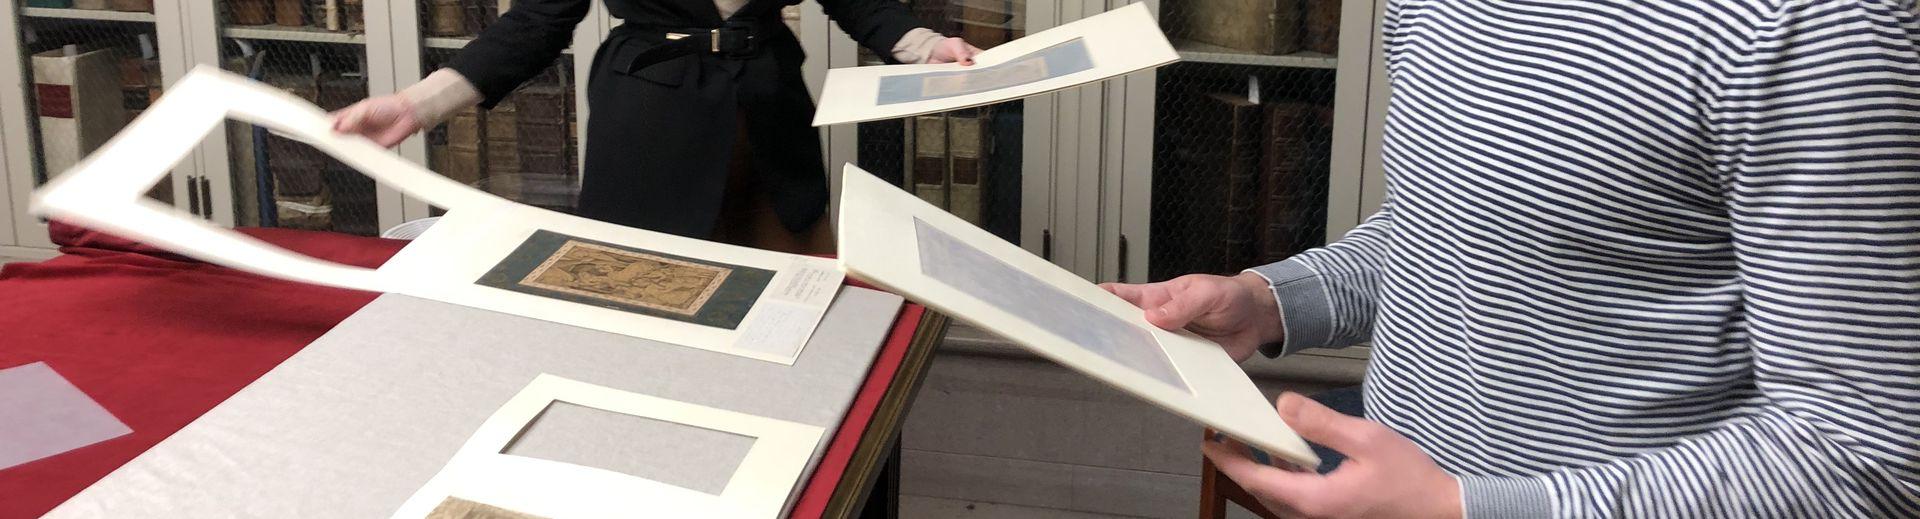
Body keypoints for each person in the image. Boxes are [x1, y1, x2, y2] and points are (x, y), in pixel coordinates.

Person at [1104, 1, 1920, 517]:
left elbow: (1869, 448)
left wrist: (1468, 506)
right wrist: (1272, 298)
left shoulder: (1820, 25)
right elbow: (1449, 227)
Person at [332, 0, 980, 253]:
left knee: (798, 313)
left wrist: (927, 46)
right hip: (648, 132)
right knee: (645, 307)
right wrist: (417, 105)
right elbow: (535, 23)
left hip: (771, 130)